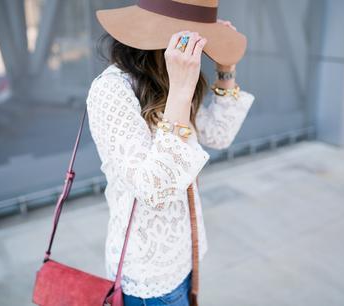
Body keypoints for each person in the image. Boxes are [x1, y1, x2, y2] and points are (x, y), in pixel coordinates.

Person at [85, 1, 255, 305]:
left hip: (186, 253)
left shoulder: (167, 77)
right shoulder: (111, 90)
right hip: (149, 275)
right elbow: (156, 191)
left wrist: (225, 69)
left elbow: (218, 135)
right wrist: (180, 90)